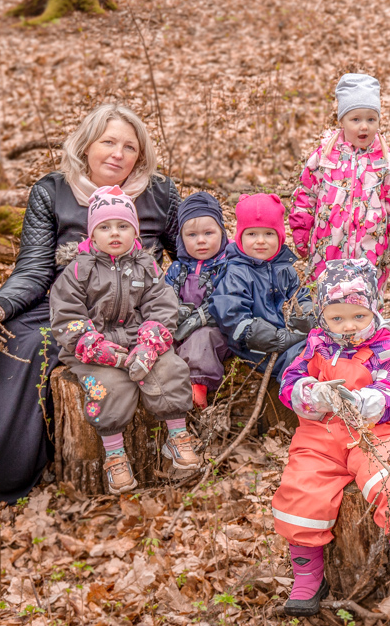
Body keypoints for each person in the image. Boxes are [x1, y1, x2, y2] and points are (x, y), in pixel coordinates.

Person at [0, 104, 179, 517]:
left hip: (133, 309)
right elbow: (35, 268)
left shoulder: (160, 193)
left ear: (141, 155)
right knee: (13, 343)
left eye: (130, 146)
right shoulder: (53, 190)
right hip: (64, 304)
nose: (118, 154)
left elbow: (186, 258)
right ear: (86, 144)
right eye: (108, 142)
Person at [274, 259, 390, 616]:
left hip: (372, 430)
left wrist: (369, 401)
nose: (348, 326)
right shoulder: (316, 346)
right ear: (323, 317)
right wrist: (310, 393)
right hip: (320, 435)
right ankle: (308, 573)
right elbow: (290, 380)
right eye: (336, 318)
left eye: (358, 316)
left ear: (373, 311)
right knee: (302, 488)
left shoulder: (387, 348)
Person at [49, 186, 201, 493]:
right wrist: (101, 349)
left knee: (170, 369)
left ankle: (176, 436)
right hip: (92, 350)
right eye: (104, 227)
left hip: (138, 341)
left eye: (123, 226)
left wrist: (149, 344)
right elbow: (67, 316)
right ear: (92, 234)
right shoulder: (79, 270)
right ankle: (115, 455)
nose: (114, 233)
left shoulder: (146, 266)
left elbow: (162, 304)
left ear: (135, 231)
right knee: (111, 387)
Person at [289, 73, 390, 285]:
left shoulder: (386, 162)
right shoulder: (324, 158)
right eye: (356, 119)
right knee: (327, 305)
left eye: (371, 119)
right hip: (327, 254)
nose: (364, 126)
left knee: (364, 308)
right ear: (342, 121)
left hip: (370, 255)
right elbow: (306, 195)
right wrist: (301, 232)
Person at [210, 193, 313, 383]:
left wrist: (306, 316)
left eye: (268, 234)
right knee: (300, 362)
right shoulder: (236, 273)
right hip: (256, 348)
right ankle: (304, 398)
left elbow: (300, 297)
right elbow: (233, 317)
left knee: (323, 348)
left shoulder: (285, 269)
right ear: (240, 238)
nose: (260, 240)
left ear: (280, 236)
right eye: (252, 234)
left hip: (290, 337)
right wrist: (276, 339)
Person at [165, 192, 232, 408]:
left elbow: (228, 301)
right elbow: (164, 295)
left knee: (202, 339)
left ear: (221, 233)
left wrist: (199, 317)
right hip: (181, 327)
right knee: (164, 341)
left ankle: (197, 386)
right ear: (181, 239)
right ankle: (166, 383)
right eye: (192, 235)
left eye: (208, 233)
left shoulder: (228, 266)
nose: (201, 240)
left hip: (216, 330)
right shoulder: (178, 268)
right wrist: (174, 310)